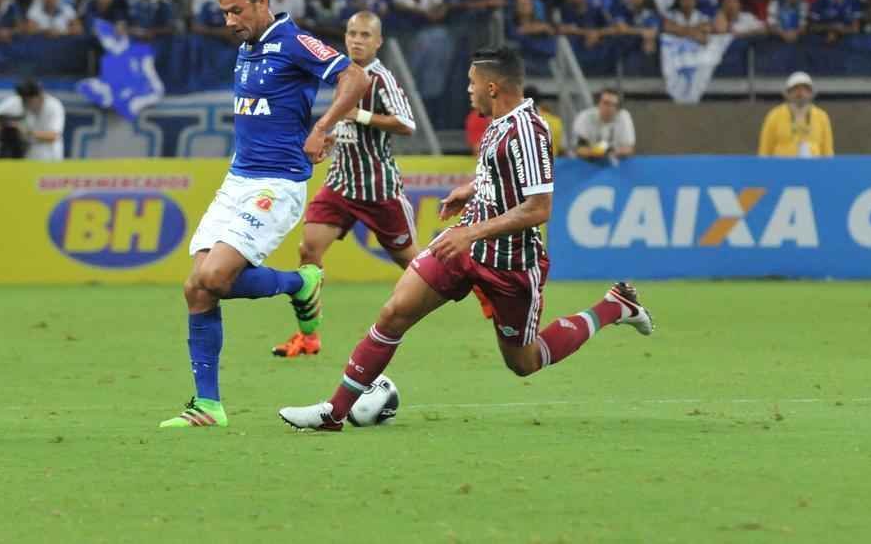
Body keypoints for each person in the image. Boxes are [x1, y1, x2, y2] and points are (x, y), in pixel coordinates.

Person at [278, 48, 653, 431]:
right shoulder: (497, 121)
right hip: (463, 247)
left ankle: (613, 306)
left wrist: (472, 231)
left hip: (510, 265)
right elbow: (503, 176)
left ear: (492, 87)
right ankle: (334, 413)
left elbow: (539, 208)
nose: (467, 89)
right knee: (394, 313)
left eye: (472, 82)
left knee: (524, 361)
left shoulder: (529, 130)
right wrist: (471, 190)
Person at [161, 0, 368, 429]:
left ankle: (301, 283)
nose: (230, 22)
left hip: (277, 185)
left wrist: (322, 126)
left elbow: (355, 78)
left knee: (214, 277)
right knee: (196, 288)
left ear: (262, 2)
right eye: (224, 13)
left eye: (237, 11)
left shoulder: (293, 41)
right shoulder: (248, 48)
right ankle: (208, 406)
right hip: (237, 181)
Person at [271, 12, 417, 358]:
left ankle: (477, 287)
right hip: (340, 185)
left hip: (378, 190)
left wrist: (359, 115)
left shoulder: (381, 80)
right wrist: (333, 138)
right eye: (352, 33)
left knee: (414, 265)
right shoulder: (341, 74)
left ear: (378, 42)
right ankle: (309, 335)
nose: (357, 40)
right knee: (308, 251)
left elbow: (407, 124)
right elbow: (350, 127)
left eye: (365, 35)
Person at [0, 79, 65, 161]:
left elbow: (53, 136)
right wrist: (0, 132)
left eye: (30, 100)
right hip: (24, 158)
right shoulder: (15, 102)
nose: (27, 103)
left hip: (49, 158)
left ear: (40, 95)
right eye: (24, 100)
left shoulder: (54, 106)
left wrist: (24, 131)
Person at [758, 72, 834, 157]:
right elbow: (764, 151)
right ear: (787, 93)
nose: (800, 93)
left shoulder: (822, 117)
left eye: (805, 89)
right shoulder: (774, 116)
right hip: (782, 169)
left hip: (813, 169)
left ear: (811, 93)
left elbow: (828, 153)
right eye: (795, 89)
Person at [572, 88, 635, 161]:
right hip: (587, 162)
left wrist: (612, 152)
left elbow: (629, 149)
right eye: (606, 103)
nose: (609, 108)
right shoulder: (584, 117)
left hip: (614, 160)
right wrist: (596, 152)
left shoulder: (624, 117)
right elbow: (579, 149)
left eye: (614, 105)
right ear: (598, 103)